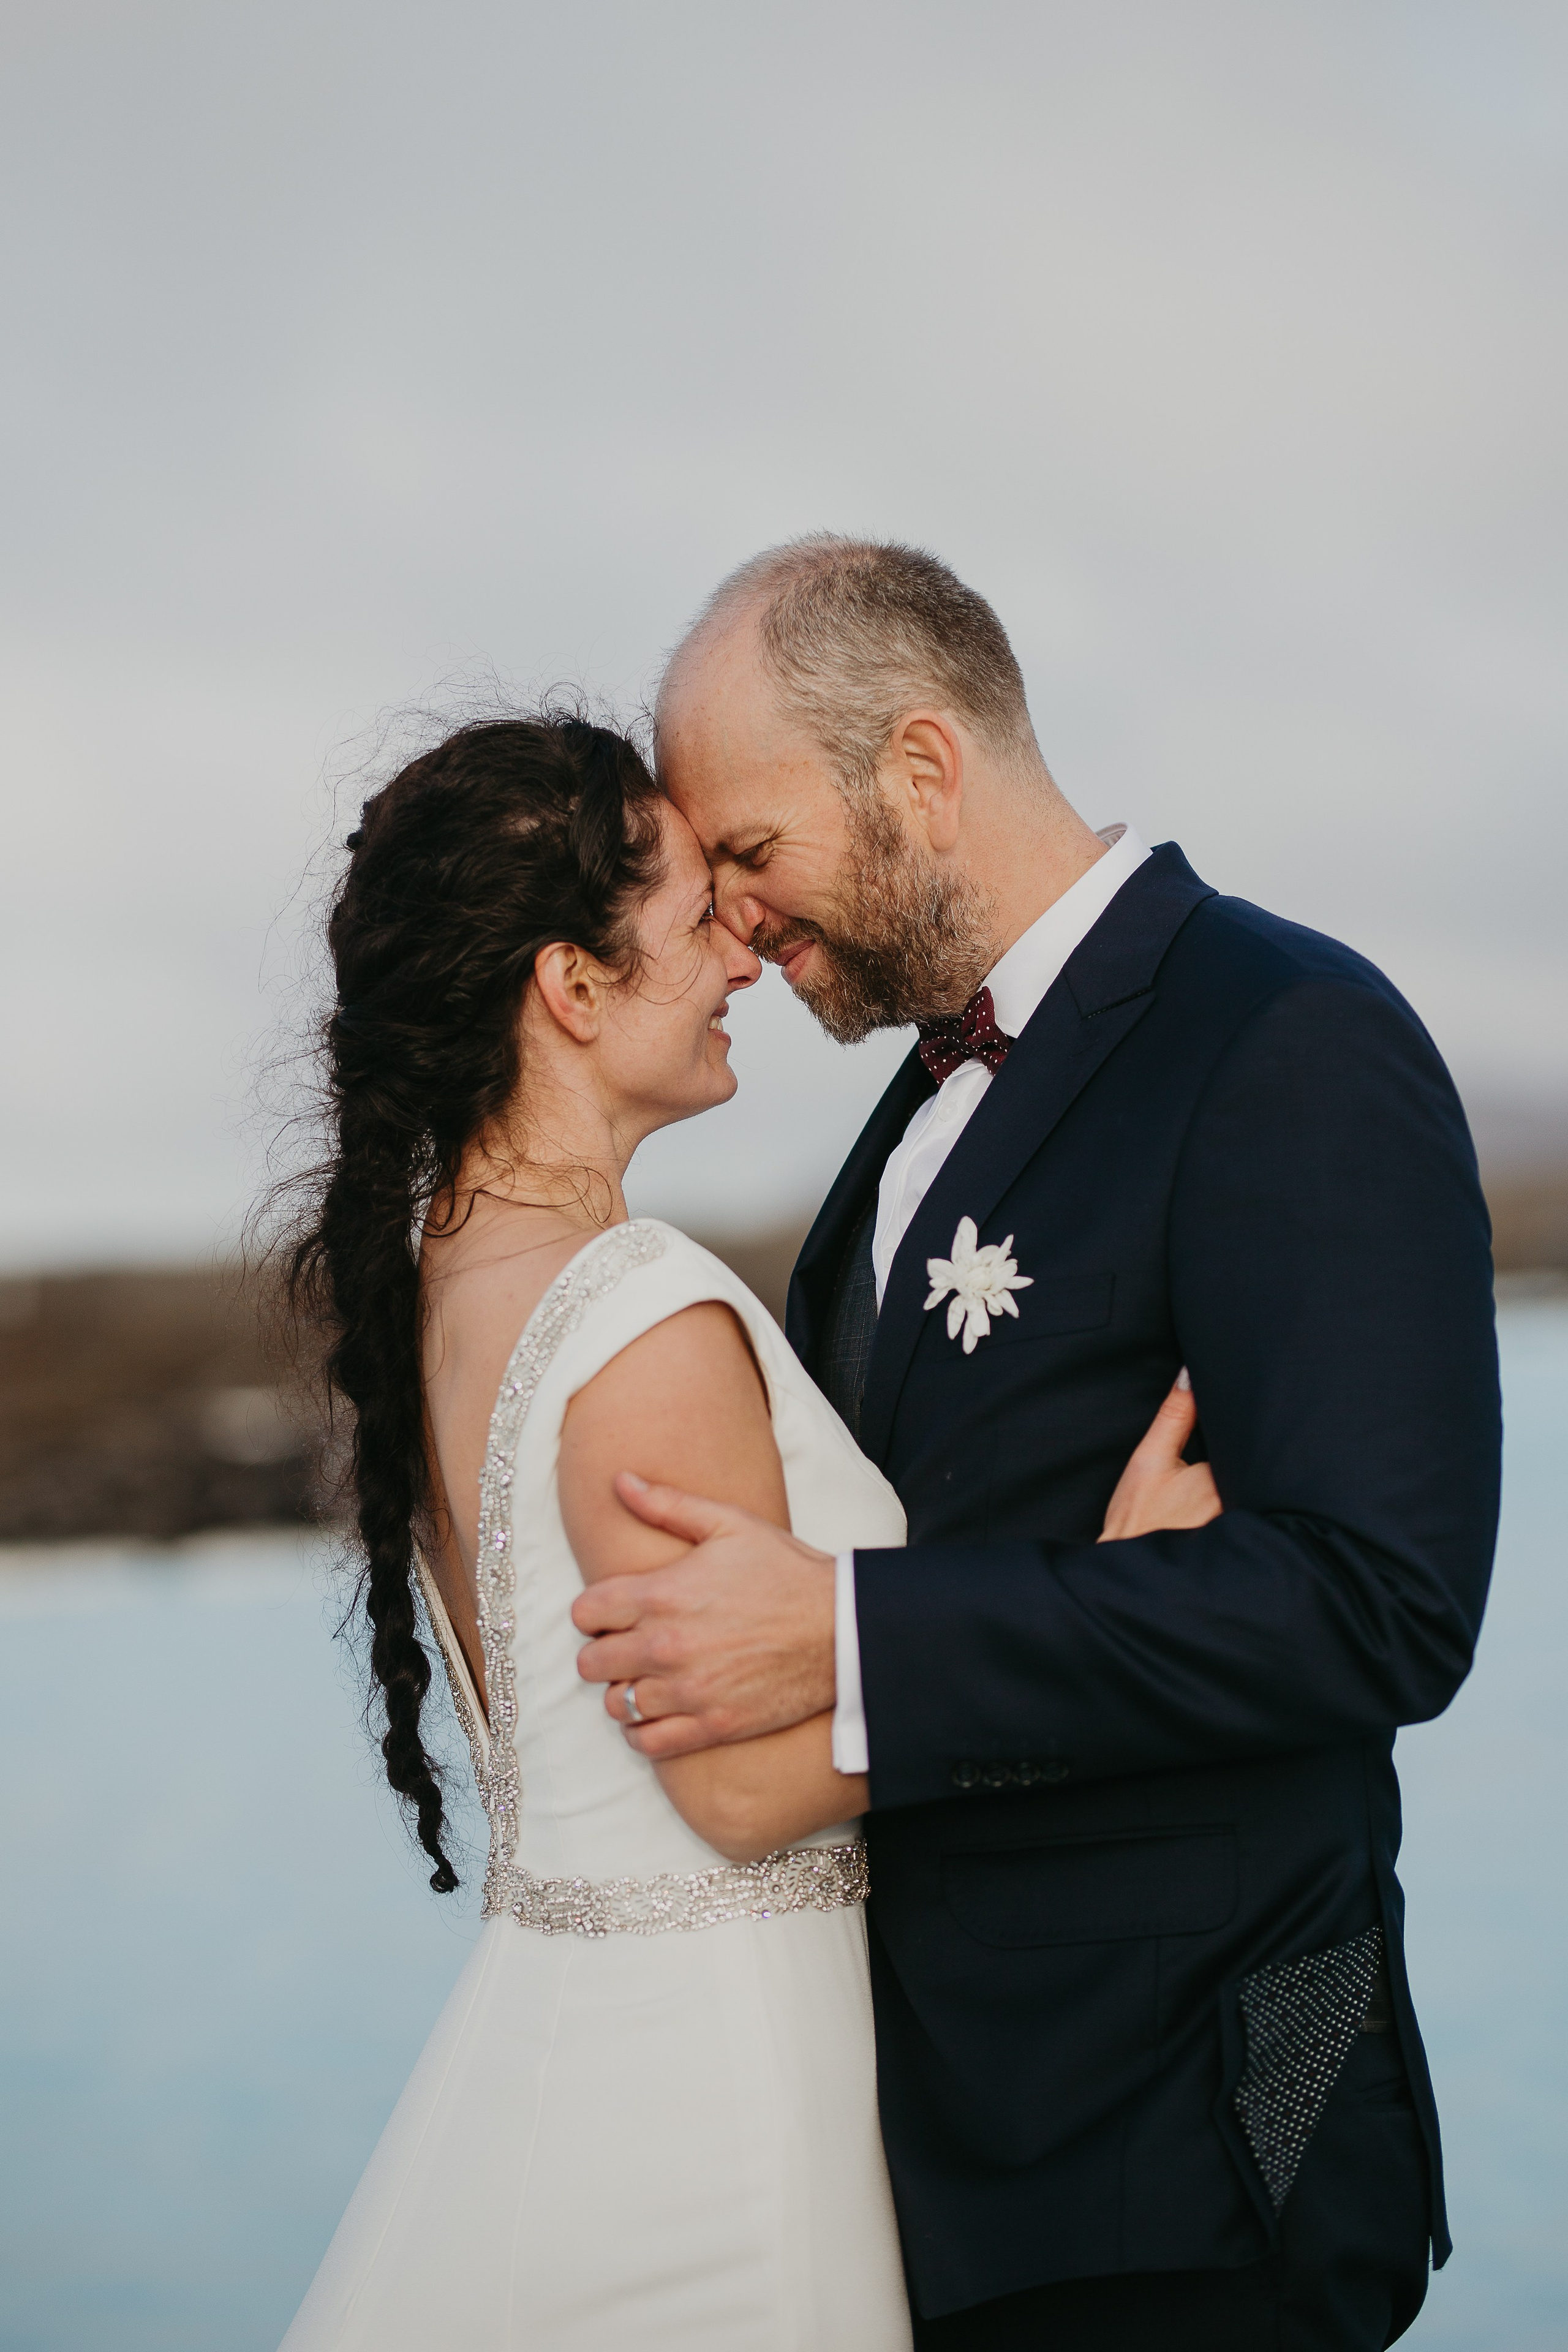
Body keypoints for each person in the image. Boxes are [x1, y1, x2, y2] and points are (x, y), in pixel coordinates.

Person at [571, 538, 1503, 2351]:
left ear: (920, 765)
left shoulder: (1289, 1039)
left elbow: (1388, 1603)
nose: (739, 923)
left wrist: (843, 1635)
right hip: (941, 2167)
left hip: (1205, 2148)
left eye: (753, 853)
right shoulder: (913, 1114)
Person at [276, 710, 1207, 2350]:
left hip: (555, 2051)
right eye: (701, 919)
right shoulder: (637, 1311)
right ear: (571, 985)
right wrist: (1103, 1618)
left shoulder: (444, 1289)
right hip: (712, 2103)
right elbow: (741, 1788)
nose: (747, 963)